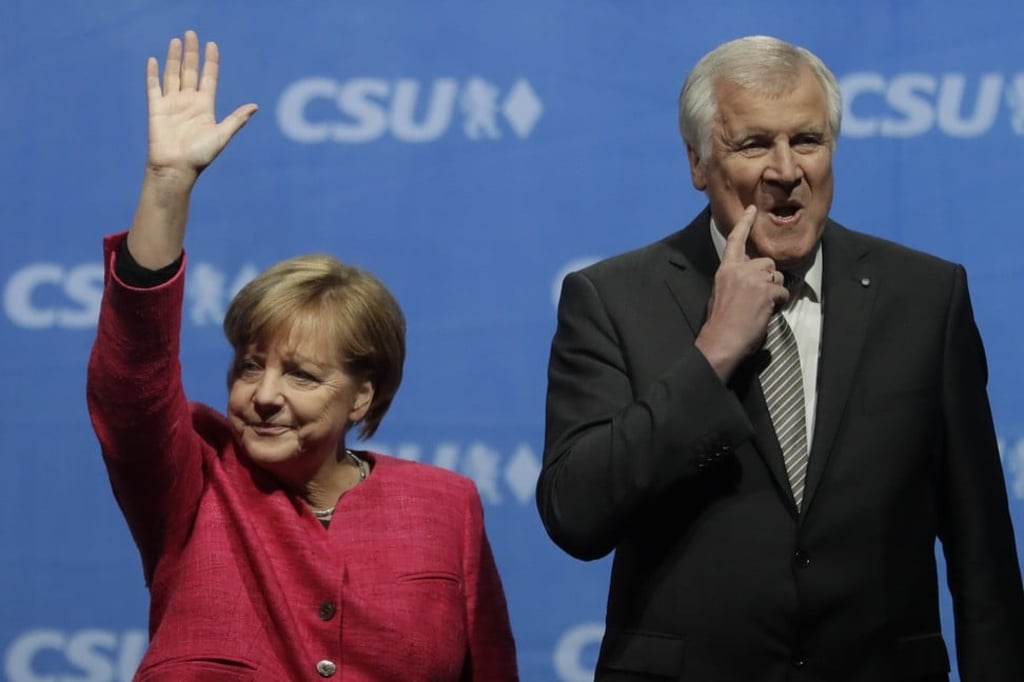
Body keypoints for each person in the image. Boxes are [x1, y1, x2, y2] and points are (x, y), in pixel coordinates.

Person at [536, 35, 1024, 681]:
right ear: (699, 162)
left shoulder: (926, 297)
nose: (786, 169)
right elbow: (577, 513)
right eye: (754, 143)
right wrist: (712, 354)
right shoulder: (613, 299)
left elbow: (981, 551)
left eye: (808, 140)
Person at [86, 30, 518, 681]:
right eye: (250, 365)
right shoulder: (194, 480)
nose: (263, 394)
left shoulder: (444, 506)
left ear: (363, 395)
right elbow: (130, 386)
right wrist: (167, 185)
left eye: (302, 375)